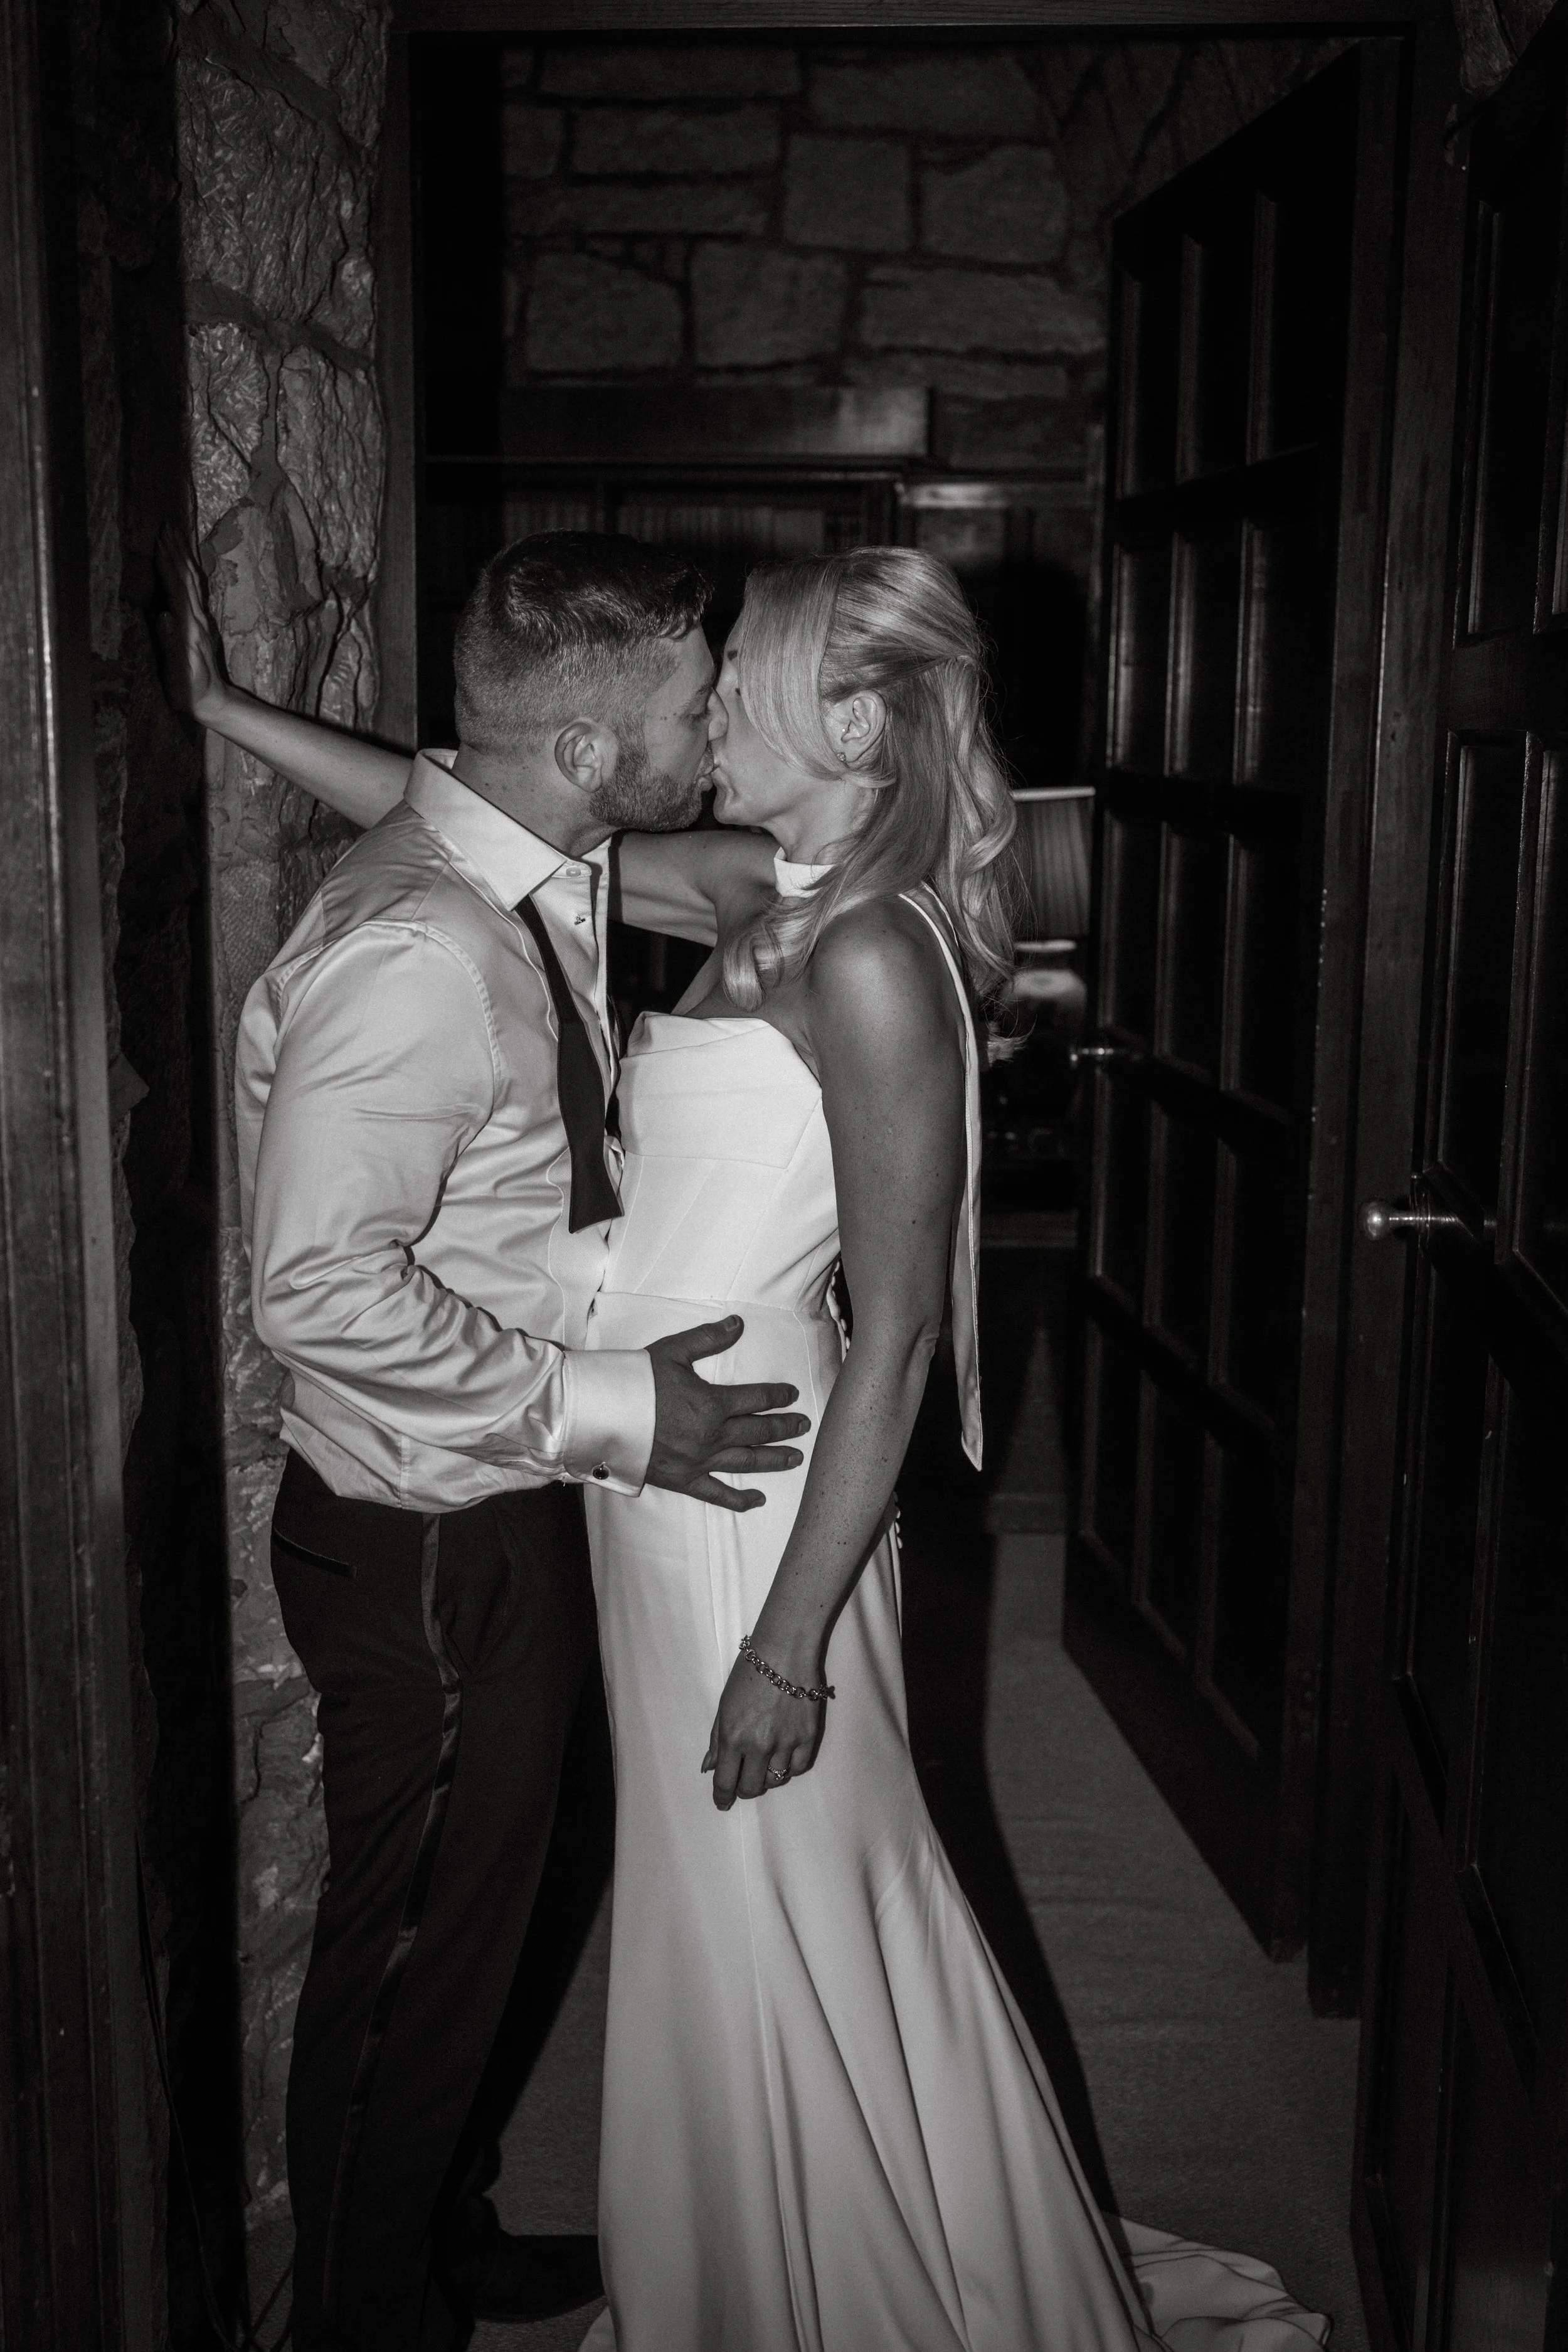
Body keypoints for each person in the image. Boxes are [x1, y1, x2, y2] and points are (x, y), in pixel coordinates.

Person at [167, 532, 1330, 2351]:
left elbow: (901, 1333)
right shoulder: (746, 885)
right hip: (639, 1471)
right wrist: (231, 711)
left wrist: (792, 1640)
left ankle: (833, 2278)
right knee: (708, 1909)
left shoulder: (869, 959)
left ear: (854, 717)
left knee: (779, 1870)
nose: (711, 701)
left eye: (748, 671)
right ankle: (745, 2244)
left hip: (748, 1488)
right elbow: (468, 798)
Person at [172, 531, 812, 2352]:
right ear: (600, 750)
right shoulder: (423, 951)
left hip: (496, 1500)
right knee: (409, 1969)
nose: (714, 724)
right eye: (694, 703)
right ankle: (365, 2321)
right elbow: (316, 1290)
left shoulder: (532, 853)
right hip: (432, 1532)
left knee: (487, 1918)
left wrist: (230, 708)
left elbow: (449, 786)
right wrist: (626, 1410)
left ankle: (441, 2237)